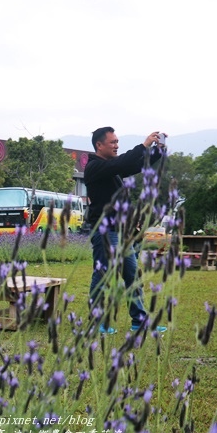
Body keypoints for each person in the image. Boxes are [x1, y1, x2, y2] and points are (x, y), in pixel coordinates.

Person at [84, 126, 168, 335]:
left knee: (131, 274)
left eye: (117, 141)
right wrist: (144, 145)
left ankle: (139, 320)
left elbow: (135, 164)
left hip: (122, 231)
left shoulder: (111, 167)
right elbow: (123, 162)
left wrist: (159, 150)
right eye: (113, 142)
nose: (116, 145)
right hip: (105, 231)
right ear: (99, 145)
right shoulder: (94, 167)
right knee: (103, 274)